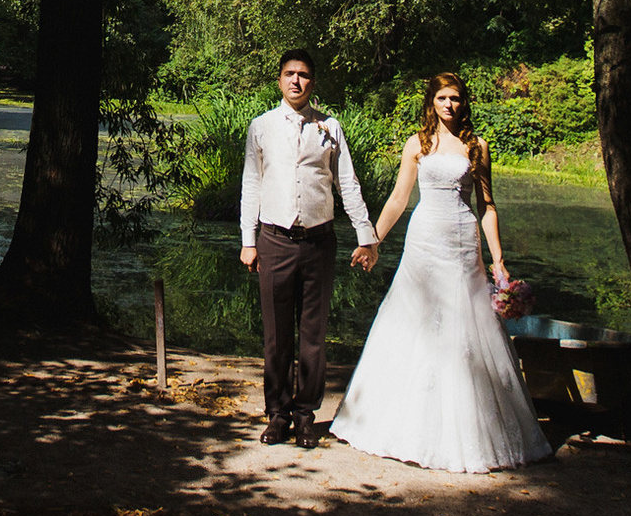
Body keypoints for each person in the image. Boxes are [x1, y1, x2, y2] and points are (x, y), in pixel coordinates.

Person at [329, 73, 552, 472]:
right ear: (431, 101)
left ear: (464, 103)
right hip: (425, 239)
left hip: (464, 242)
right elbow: (399, 198)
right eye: (443, 98)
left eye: (457, 98)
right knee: (413, 319)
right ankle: (398, 422)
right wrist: (372, 240)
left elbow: (488, 207)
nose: (450, 104)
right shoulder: (417, 143)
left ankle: (471, 430)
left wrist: (498, 260)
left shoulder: (477, 146)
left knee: (466, 326)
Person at [237, 48, 376, 447]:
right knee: (277, 336)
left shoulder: (330, 127)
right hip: (274, 240)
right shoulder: (260, 126)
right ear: (279, 80)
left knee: (313, 335)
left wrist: (364, 234)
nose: (295, 81)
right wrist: (249, 242)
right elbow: (251, 184)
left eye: (303, 75)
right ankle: (277, 415)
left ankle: (305, 415)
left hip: (319, 242)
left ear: (313, 83)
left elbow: (346, 183)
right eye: (289, 74)